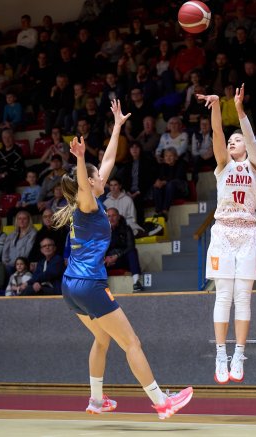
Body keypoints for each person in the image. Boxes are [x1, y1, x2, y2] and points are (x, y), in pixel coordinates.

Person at [52, 99, 193, 418]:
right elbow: (87, 178)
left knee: (102, 339)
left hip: (70, 286)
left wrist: (117, 125)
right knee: (132, 343)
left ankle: (97, 400)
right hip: (89, 284)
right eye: (96, 174)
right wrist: (79, 157)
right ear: (89, 183)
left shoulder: (84, 201)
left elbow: (110, 158)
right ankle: (161, 402)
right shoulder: (87, 203)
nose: (104, 173)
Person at [197, 84, 256, 385]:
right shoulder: (223, 166)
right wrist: (215, 110)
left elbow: (249, 137)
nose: (235, 142)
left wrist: (239, 110)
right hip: (223, 232)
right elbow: (218, 138)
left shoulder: (255, 166)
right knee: (223, 295)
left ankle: (240, 354)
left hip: (248, 234)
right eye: (233, 140)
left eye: (240, 140)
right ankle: (220, 353)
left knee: (243, 296)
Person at [105, 208, 143, 291]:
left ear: (118, 217)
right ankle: (102, 287)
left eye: (114, 215)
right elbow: (100, 248)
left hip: (123, 259)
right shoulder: (103, 232)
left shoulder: (126, 229)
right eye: (109, 216)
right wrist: (106, 258)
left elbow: (130, 246)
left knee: (132, 252)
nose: (111, 218)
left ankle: (136, 282)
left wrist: (116, 256)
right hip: (108, 261)